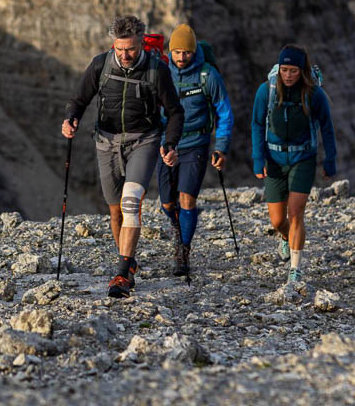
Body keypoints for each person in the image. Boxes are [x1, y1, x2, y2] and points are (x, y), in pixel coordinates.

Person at [62, 15, 184, 298]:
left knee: (131, 203)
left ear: (141, 43)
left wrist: (171, 143)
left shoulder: (157, 70)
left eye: (130, 49)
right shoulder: (99, 65)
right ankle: (127, 263)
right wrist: (71, 119)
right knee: (115, 209)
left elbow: (175, 111)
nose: (125, 55)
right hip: (105, 142)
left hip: (144, 140)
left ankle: (121, 274)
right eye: (120, 49)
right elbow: (79, 100)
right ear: (113, 44)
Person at [251, 45, 337, 285]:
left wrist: (330, 160)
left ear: (302, 71)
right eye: (284, 70)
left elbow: (327, 128)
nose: (288, 75)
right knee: (278, 221)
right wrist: (258, 159)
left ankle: (295, 269)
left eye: (293, 70)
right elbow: (257, 124)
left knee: (296, 212)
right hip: (274, 160)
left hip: (303, 158)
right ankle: (285, 237)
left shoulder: (313, 95)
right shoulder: (265, 92)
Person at [156, 24, 233, 278]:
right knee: (167, 202)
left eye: (186, 52)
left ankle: (183, 251)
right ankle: (178, 229)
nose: (181, 58)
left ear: (194, 51)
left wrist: (220, 147)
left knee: (187, 198)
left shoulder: (207, 76)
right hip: (167, 144)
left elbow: (224, 112)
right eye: (176, 52)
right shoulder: (162, 72)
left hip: (196, 144)